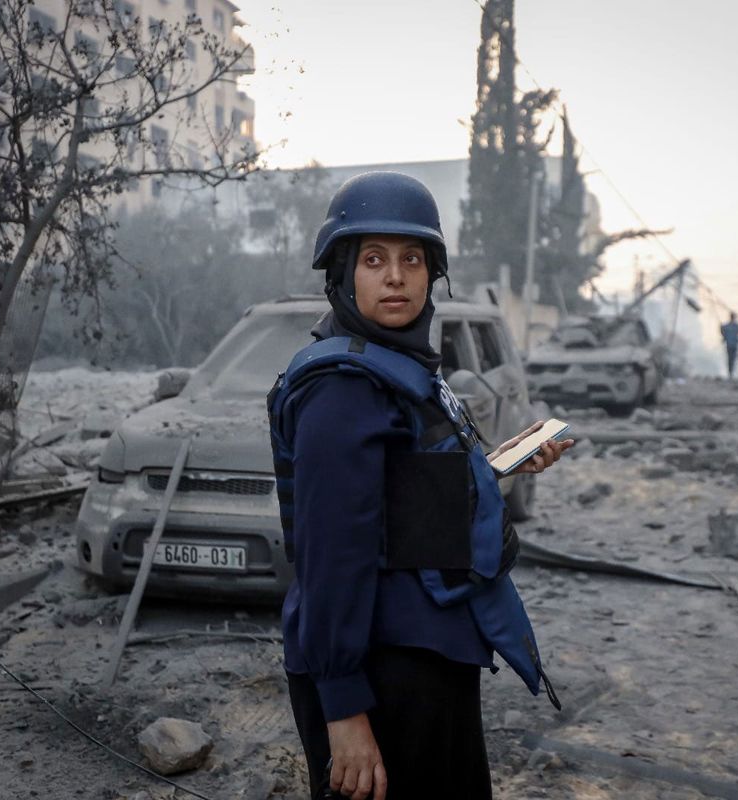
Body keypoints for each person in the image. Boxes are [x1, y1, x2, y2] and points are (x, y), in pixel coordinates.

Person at [268, 172, 572, 800]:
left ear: (432, 274)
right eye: (374, 259)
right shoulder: (342, 391)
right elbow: (331, 558)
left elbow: (405, 502)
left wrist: (500, 467)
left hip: (426, 654)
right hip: (383, 671)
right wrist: (345, 707)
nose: (396, 276)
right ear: (342, 272)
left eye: (413, 259)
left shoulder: (395, 365)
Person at [720, 312, 738, 378]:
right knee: (732, 359)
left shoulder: (727, 326)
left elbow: (722, 332)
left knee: (731, 359)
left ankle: (731, 372)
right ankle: (730, 372)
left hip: (731, 345)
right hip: (732, 345)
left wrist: (721, 328)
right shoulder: (736, 326)